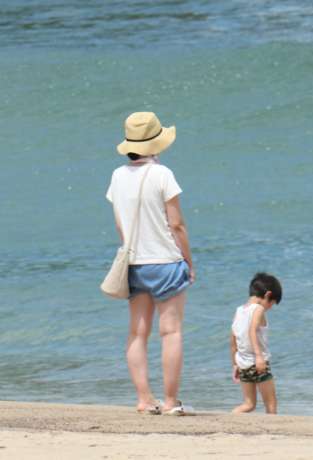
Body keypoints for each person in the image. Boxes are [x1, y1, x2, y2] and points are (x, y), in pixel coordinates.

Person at [106, 112, 195, 416]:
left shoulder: (117, 176)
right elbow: (177, 224)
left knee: (137, 333)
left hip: (134, 263)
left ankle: (145, 399)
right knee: (170, 332)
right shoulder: (162, 174)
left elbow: (120, 226)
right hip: (166, 262)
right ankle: (170, 402)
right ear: (156, 143)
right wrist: (189, 261)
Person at [230, 273, 282, 414]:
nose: (269, 307)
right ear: (267, 295)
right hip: (258, 363)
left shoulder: (239, 311)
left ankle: (230, 419)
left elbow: (233, 339)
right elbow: (252, 331)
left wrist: (234, 364)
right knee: (271, 403)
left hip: (242, 364)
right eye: (272, 303)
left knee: (249, 404)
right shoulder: (258, 309)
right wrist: (259, 357)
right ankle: (271, 430)